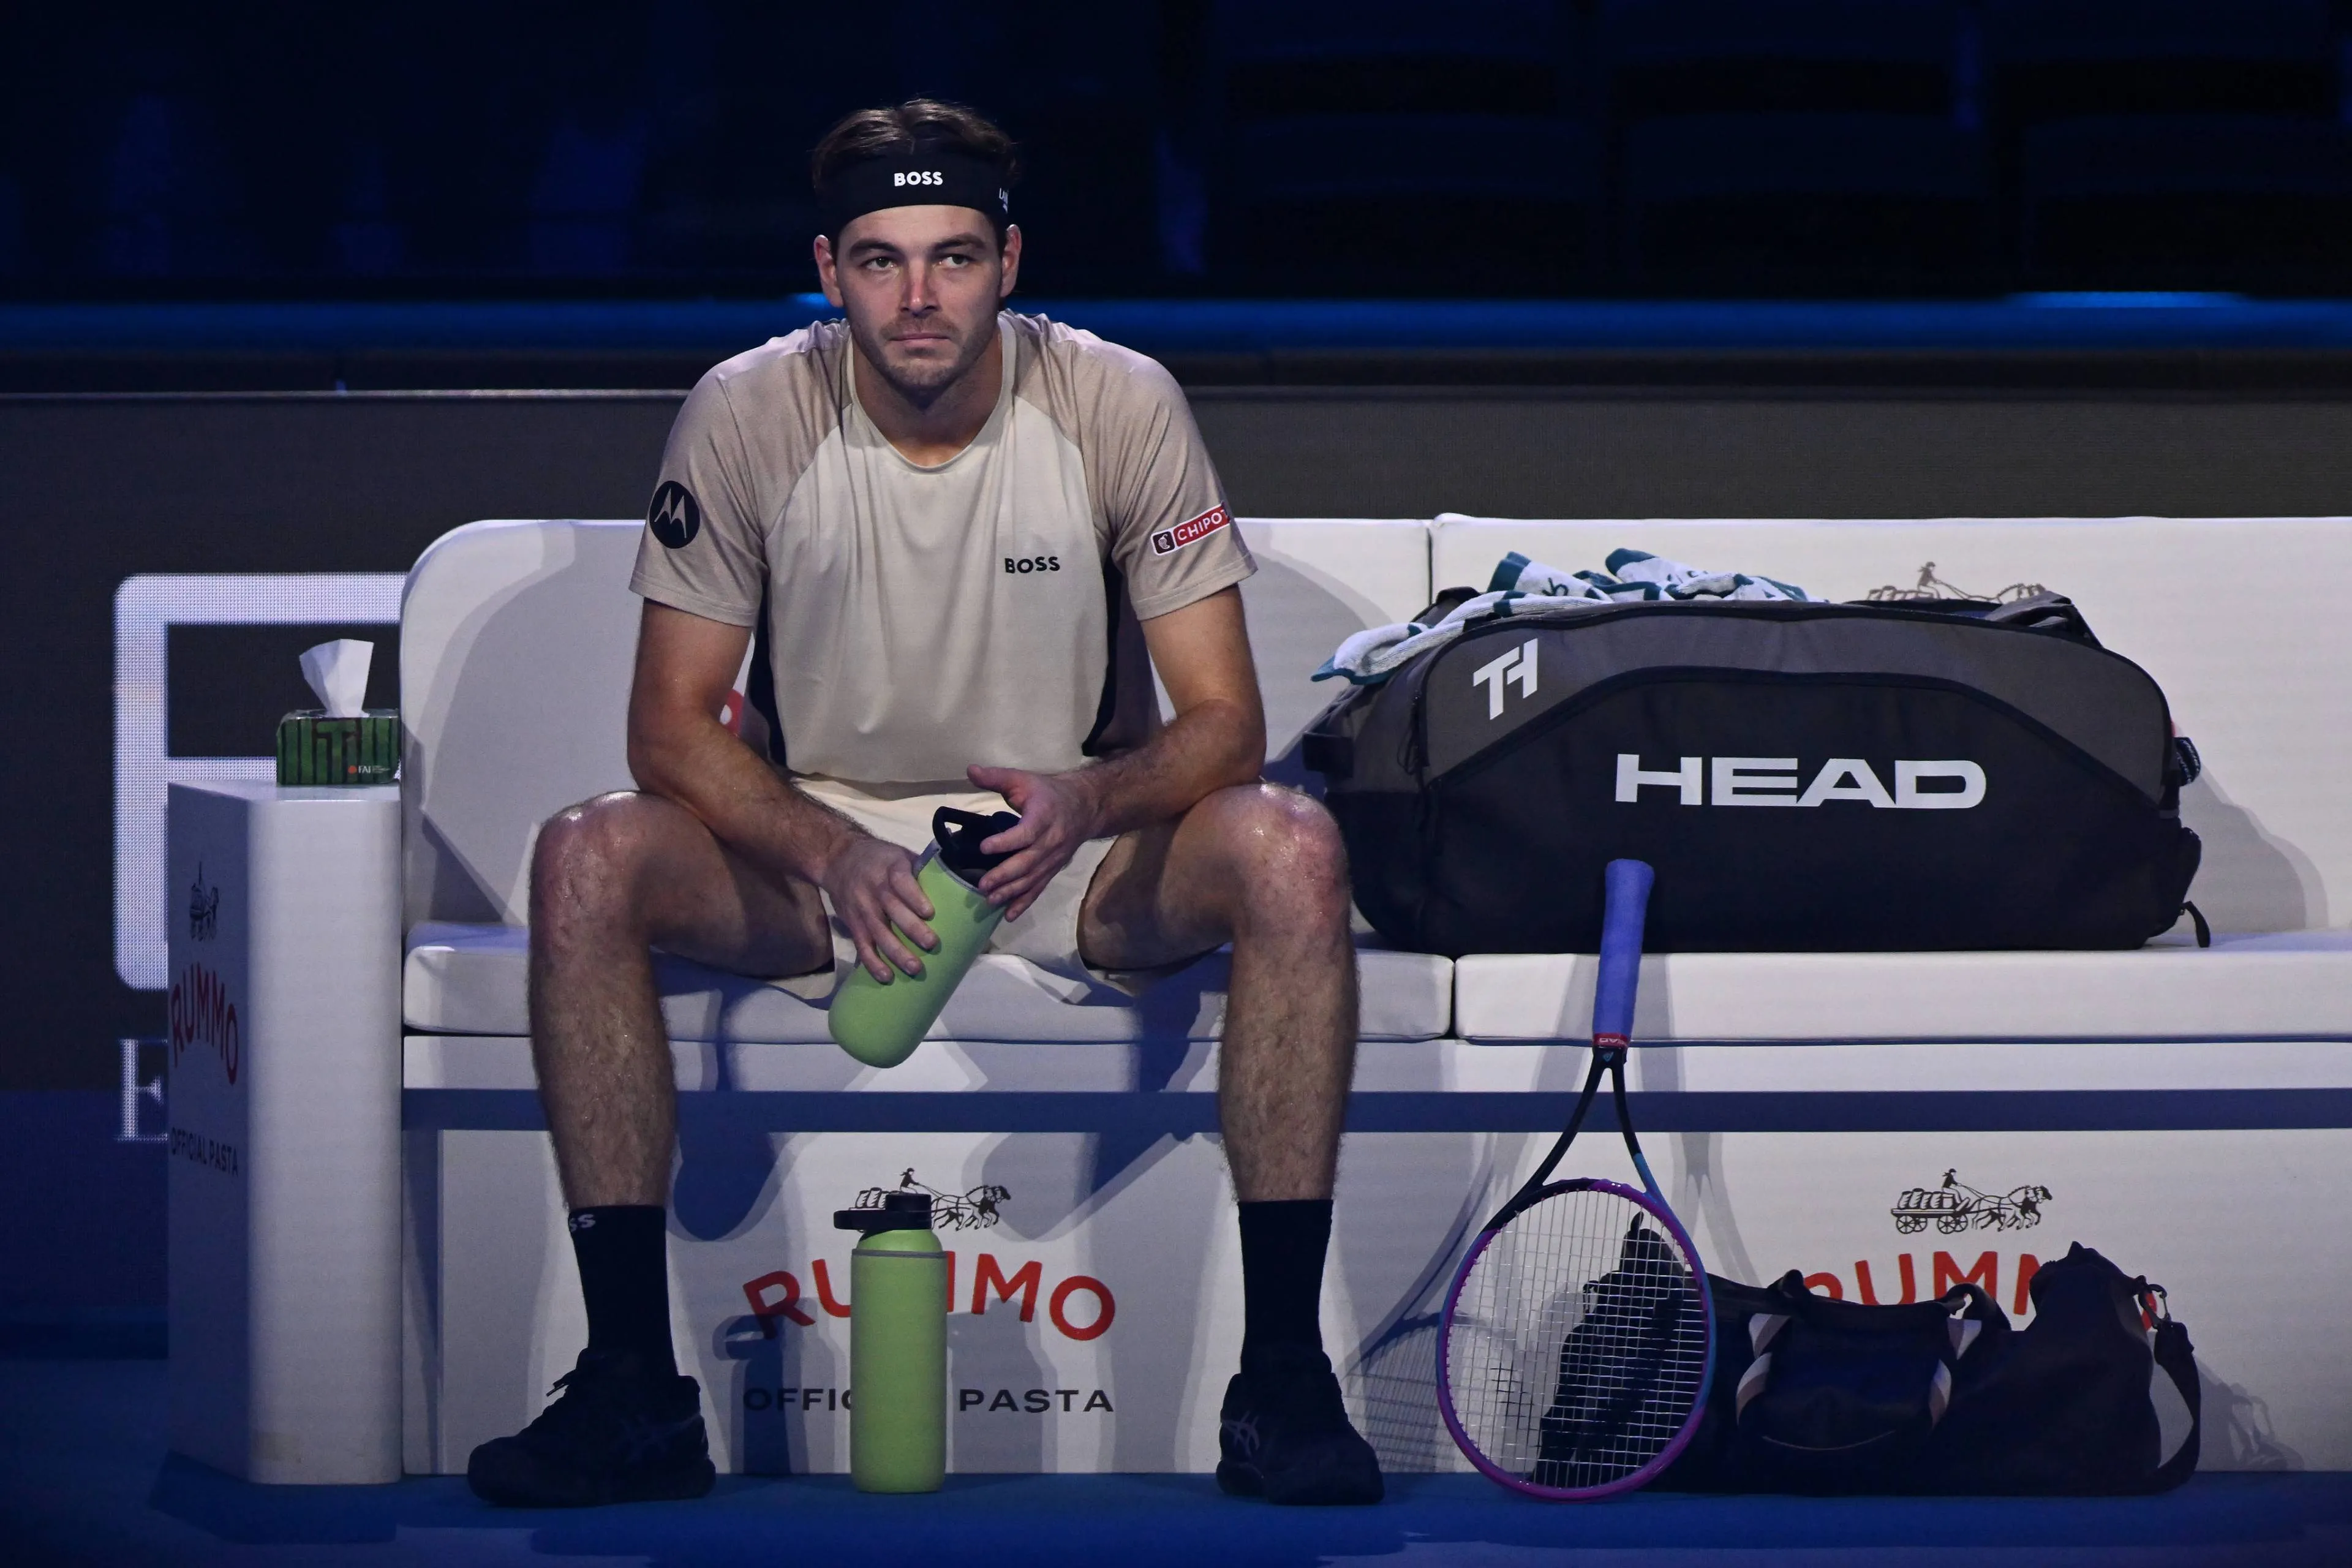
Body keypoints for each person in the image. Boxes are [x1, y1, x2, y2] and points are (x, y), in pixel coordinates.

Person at [466, 99, 1381, 1509]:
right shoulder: (746, 408)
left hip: (1077, 848)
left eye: (953, 256)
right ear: (827, 270)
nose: (918, 295)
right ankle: (633, 1390)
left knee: (1292, 845)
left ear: (1009, 262)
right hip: (823, 849)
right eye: (881, 260)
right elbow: (666, 729)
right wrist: (827, 846)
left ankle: (1281, 1384)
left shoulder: (1117, 399)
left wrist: (1088, 798)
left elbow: (1224, 725)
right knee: (588, 858)